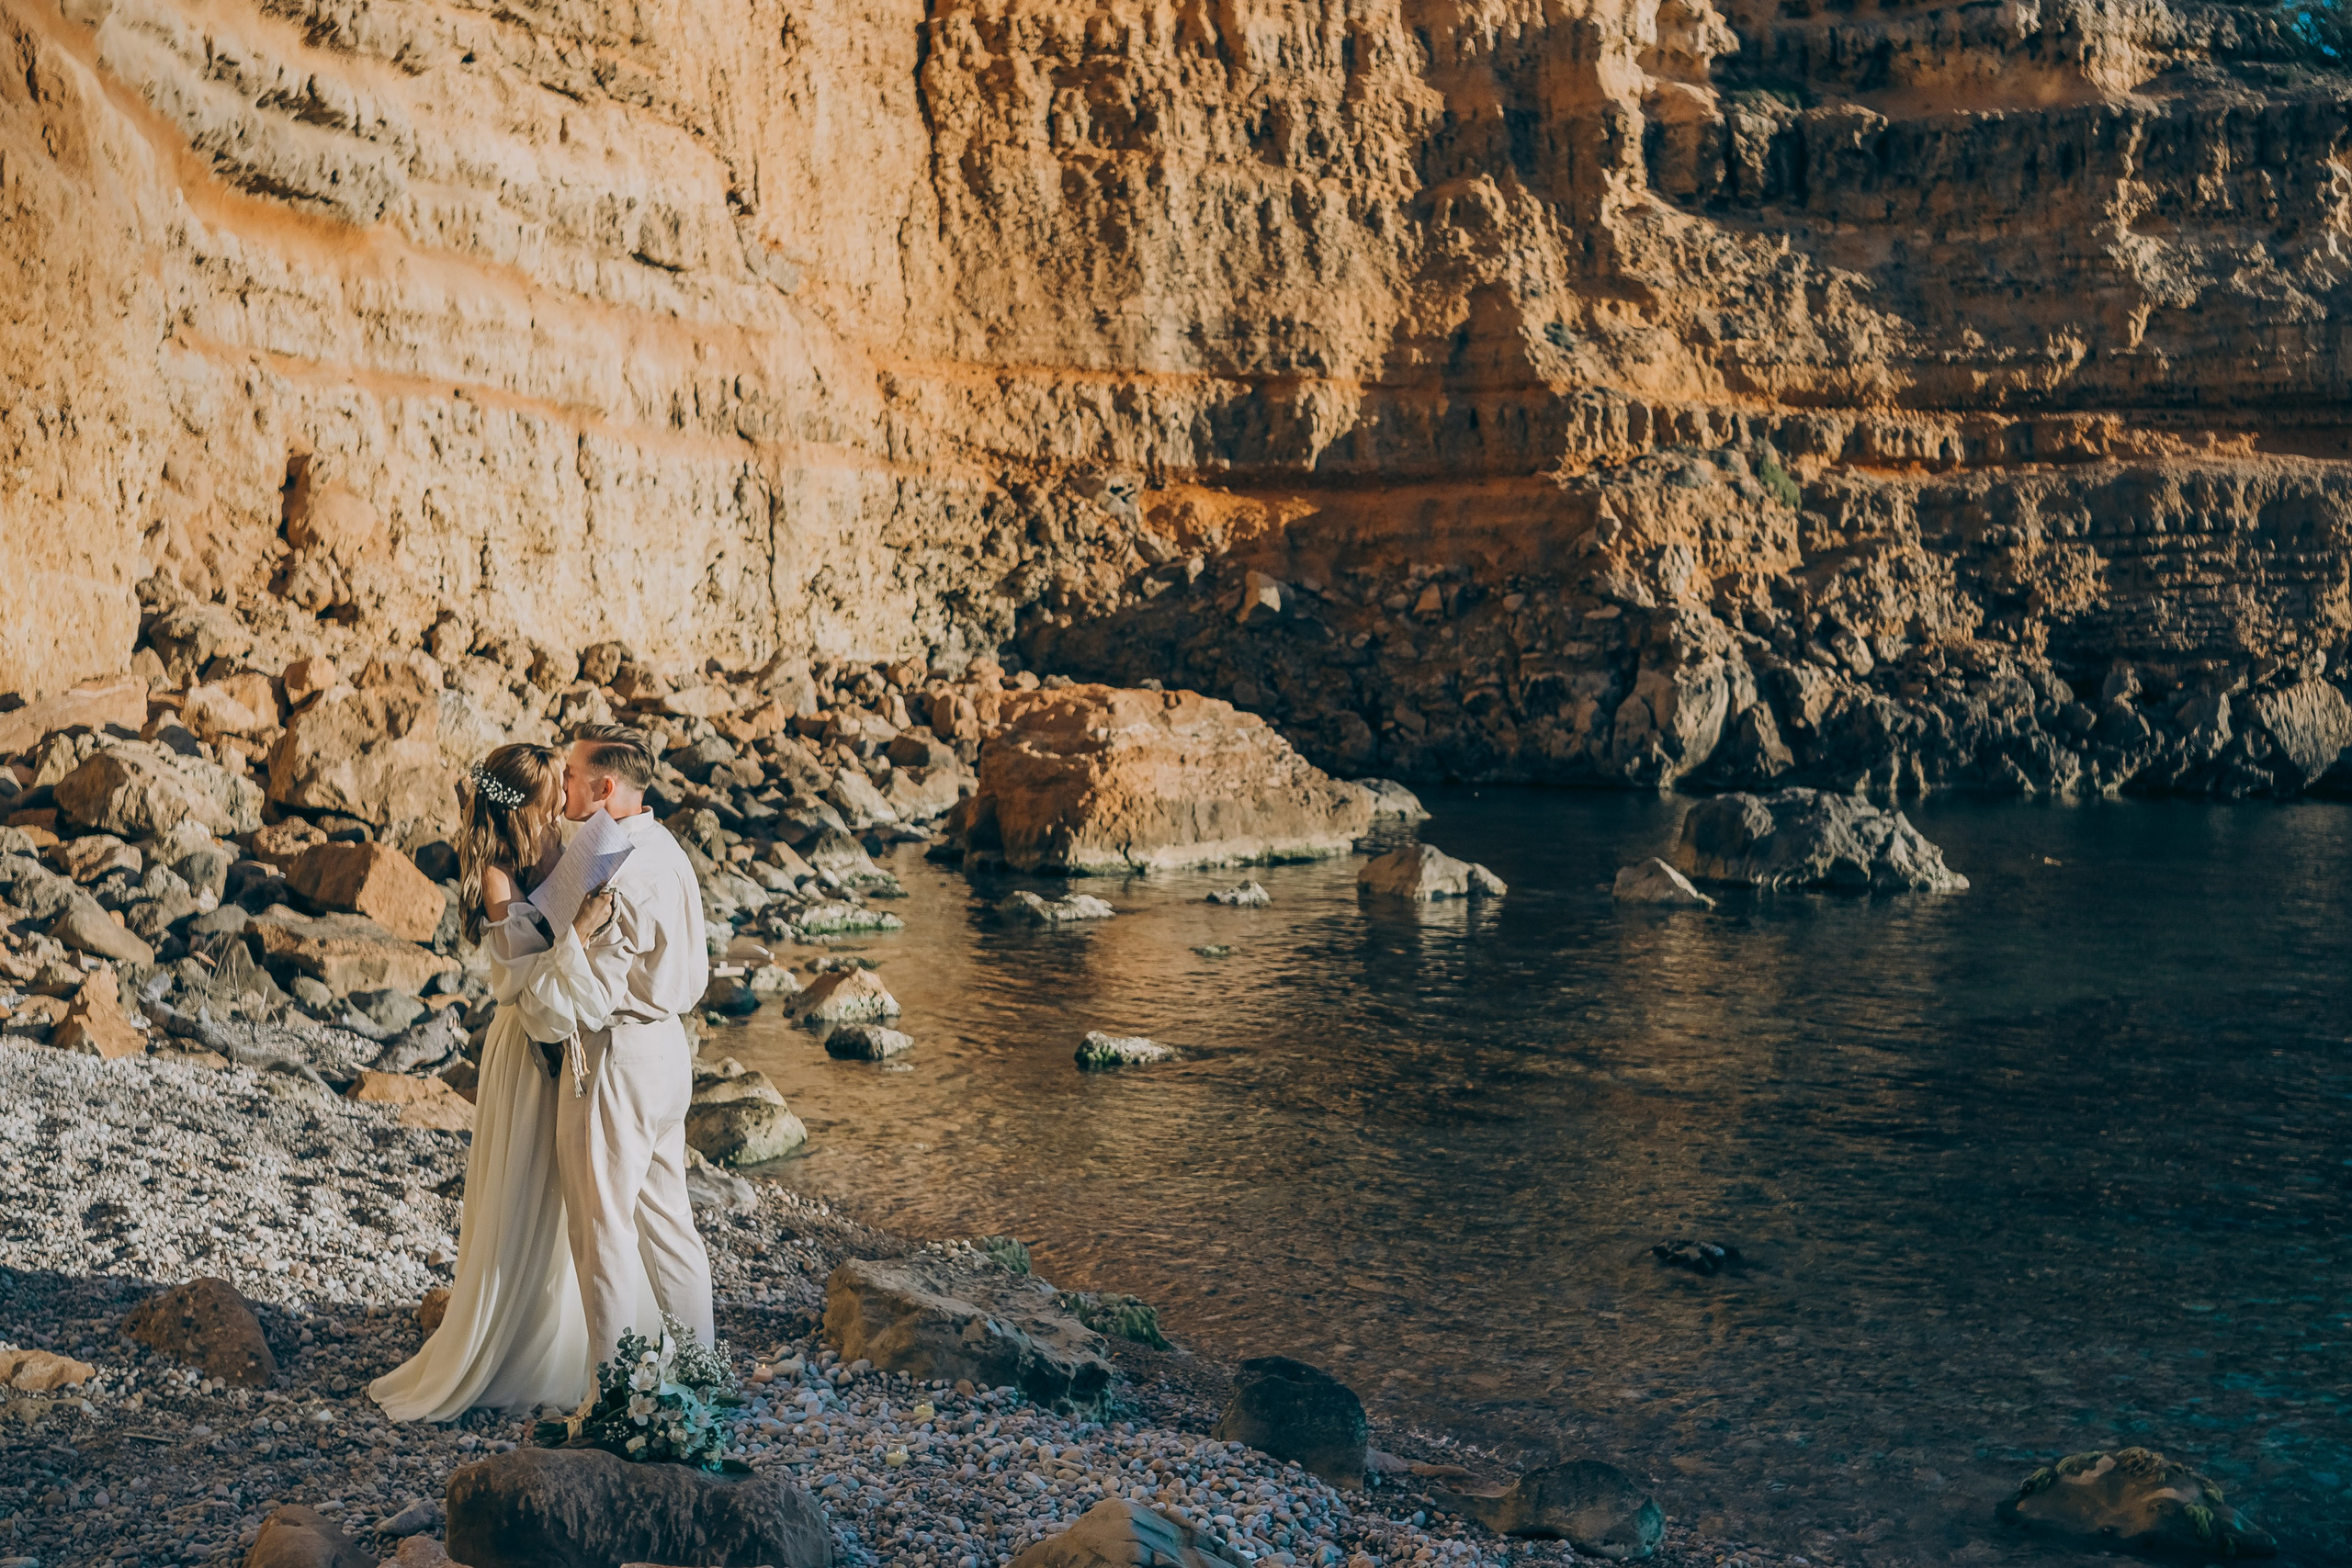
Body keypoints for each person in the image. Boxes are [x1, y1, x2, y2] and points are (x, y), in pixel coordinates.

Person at [368, 743, 617, 1422]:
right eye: (550, 794)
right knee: (524, 1191)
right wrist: (578, 928)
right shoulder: (498, 873)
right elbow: (519, 973)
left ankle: (569, 1340)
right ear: (523, 803)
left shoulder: (563, 847)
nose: (563, 804)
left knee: (570, 1192)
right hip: (525, 1046)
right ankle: (511, 1349)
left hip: (567, 1034)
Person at [554, 722, 716, 1365]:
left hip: (617, 1053)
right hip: (671, 1050)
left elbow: (588, 988)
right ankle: (703, 1371)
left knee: (604, 1229)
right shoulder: (664, 846)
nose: (562, 785)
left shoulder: (612, 868)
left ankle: (611, 1391)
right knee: (669, 1221)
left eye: (571, 776)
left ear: (606, 786)